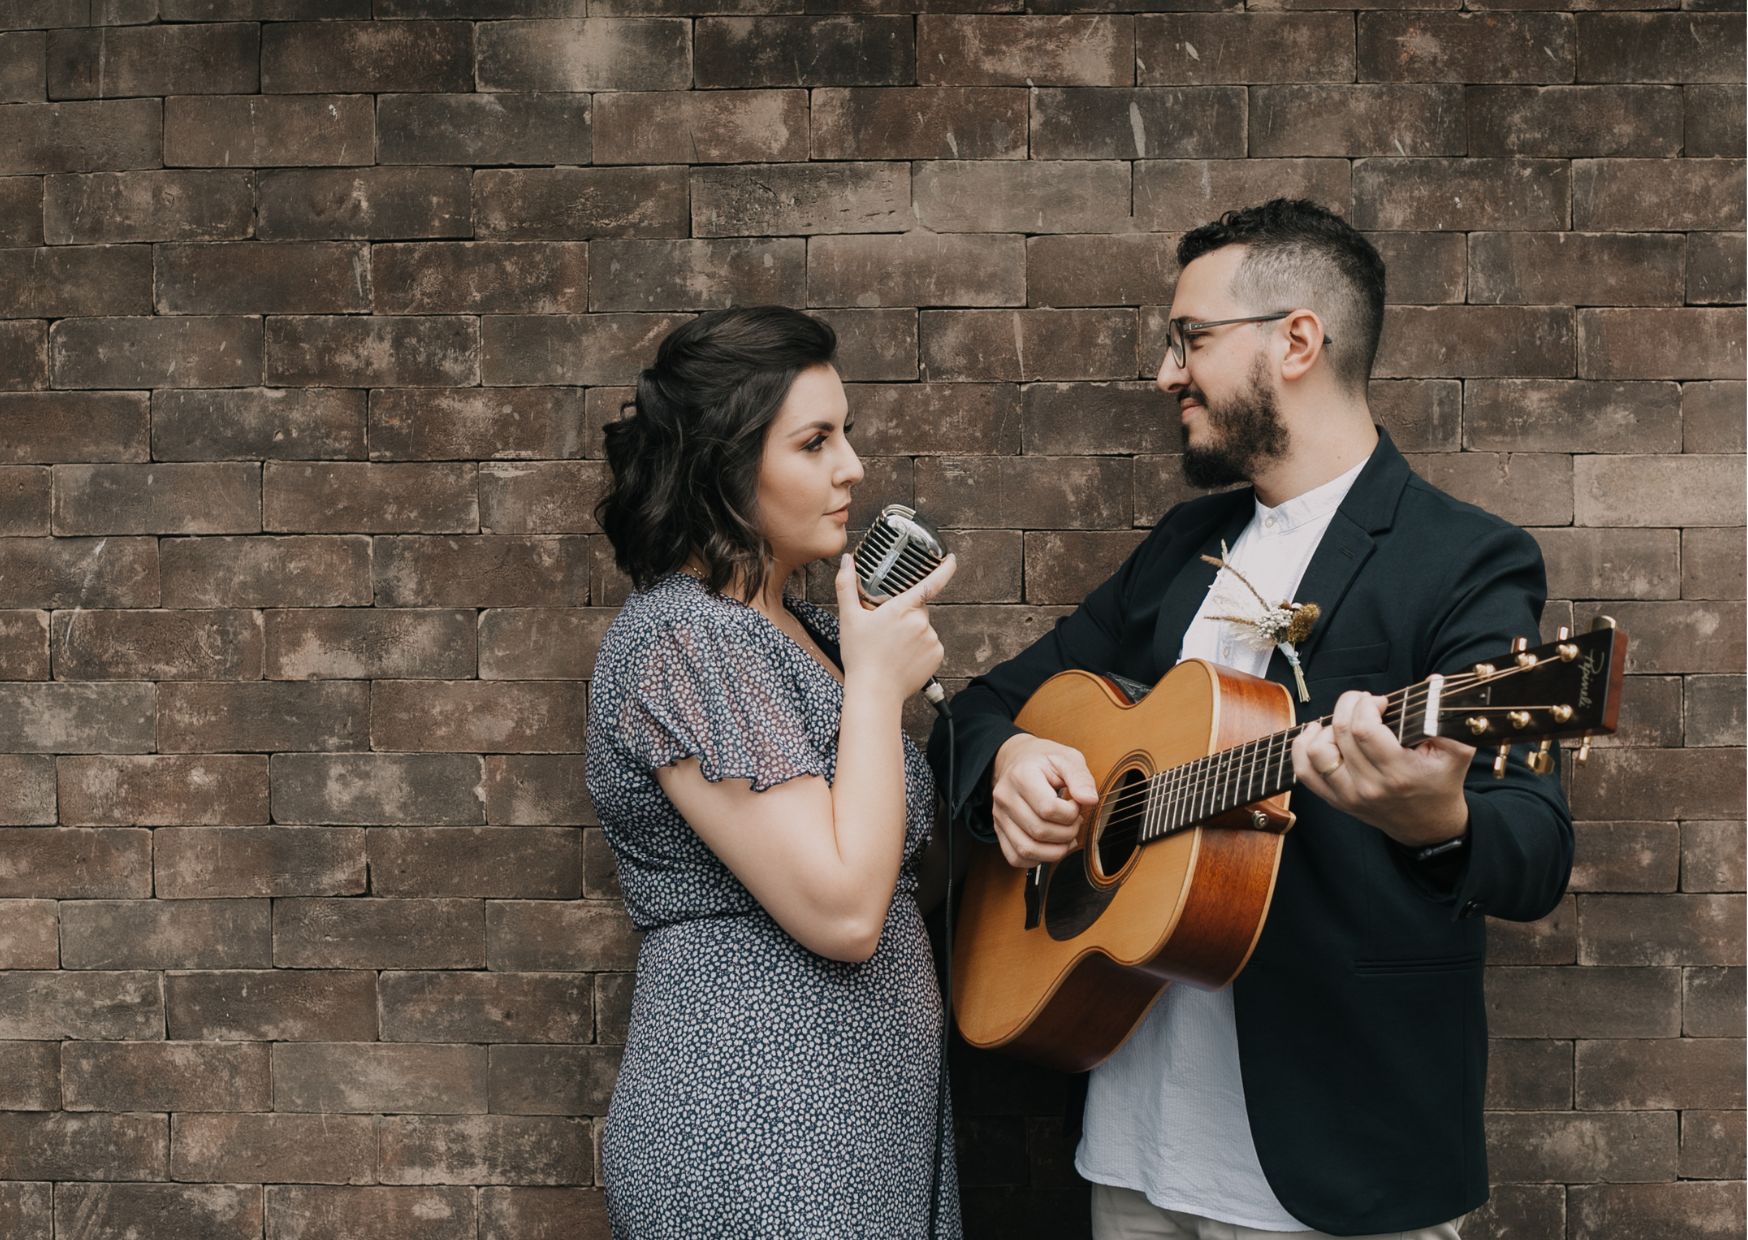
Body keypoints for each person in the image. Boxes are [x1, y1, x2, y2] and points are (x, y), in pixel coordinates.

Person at [928, 200, 1572, 1240]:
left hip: (1337, 1162)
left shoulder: (1459, 559)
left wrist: (1436, 820)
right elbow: (977, 711)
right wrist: (1007, 761)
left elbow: (1534, 848)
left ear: (1296, 341)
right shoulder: (1184, 545)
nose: (1164, 372)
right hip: (1133, 1149)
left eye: (1189, 338)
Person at [586, 306, 961, 1237]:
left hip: (860, 1109)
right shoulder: (687, 639)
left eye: (848, 434)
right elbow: (840, 910)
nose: (853, 467)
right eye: (815, 441)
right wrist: (877, 689)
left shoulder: (810, 631)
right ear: (724, 463)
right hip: (760, 1113)